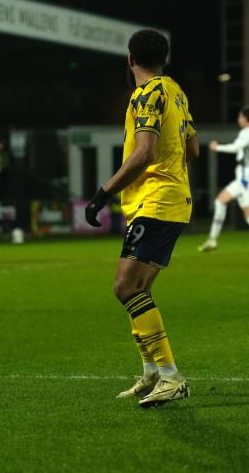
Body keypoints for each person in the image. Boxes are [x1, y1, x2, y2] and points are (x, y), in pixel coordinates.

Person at [85, 29, 198, 408]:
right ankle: (151, 373)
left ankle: (170, 375)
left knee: (126, 287)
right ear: (164, 59)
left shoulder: (147, 94)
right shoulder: (176, 92)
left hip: (157, 201)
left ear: (131, 58)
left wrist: (103, 193)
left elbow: (144, 152)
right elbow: (193, 148)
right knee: (137, 290)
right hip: (173, 199)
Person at [198, 106, 249, 264]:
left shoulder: (246, 133)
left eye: (240, 116)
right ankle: (212, 240)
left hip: (245, 177)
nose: (238, 119)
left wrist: (217, 147)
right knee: (220, 200)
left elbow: (236, 147)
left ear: (246, 118)